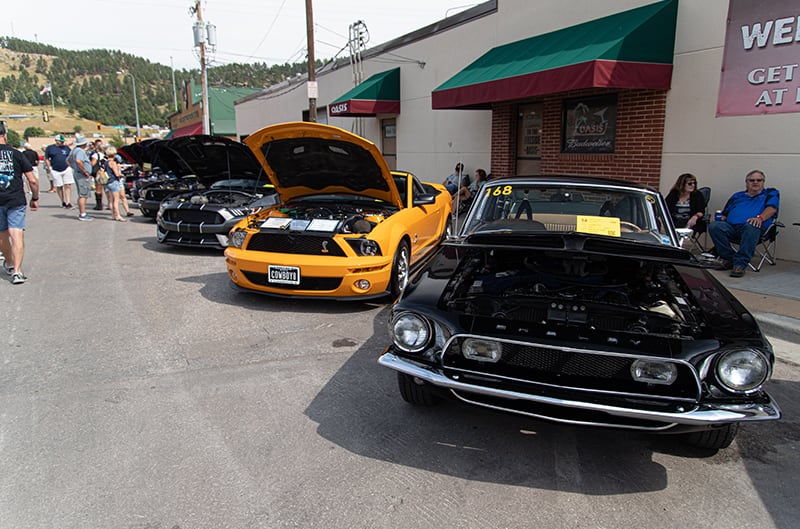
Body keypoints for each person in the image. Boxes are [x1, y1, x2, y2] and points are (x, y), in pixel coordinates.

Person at [708, 170, 779, 278]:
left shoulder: (770, 193)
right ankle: (729, 259)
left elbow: (772, 209)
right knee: (715, 226)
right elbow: (725, 213)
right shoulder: (737, 196)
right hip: (732, 227)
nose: (755, 182)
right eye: (752, 180)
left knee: (751, 225)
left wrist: (759, 218)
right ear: (746, 182)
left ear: (763, 182)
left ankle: (740, 264)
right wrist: (721, 217)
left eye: (759, 180)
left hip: (754, 229)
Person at [0, 121, 39, 284]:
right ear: (5, 135)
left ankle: (9, 263)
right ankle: (17, 271)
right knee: (16, 233)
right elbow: (33, 180)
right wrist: (35, 198)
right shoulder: (17, 154)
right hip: (16, 198)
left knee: (1, 233)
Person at [68, 134, 94, 221]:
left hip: (77, 173)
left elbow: (67, 161)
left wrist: (74, 167)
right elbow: (79, 161)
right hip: (81, 175)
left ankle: (82, 213)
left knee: (82, 193)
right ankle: (82, 214)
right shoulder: (80, 151)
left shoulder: (74, 150)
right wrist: (84, 171)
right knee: (83, 194)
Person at [44, 134, 74, 208]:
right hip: (55, 169)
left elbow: (71, 156)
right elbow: (47, 158)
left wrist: (71, 165)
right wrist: (49, 167)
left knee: (67, 185)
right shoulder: (50, 148)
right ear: (57, 141)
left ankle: (68, 201)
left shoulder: (66, 148)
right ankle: (62, 201)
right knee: (59, 186)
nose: (62, 143)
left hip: (66, 168)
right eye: (61, 141)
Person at [103, 146, 130, 221]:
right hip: (114, 181)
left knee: (111, 199)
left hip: (108, 182)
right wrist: (122, 175)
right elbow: (117, 174)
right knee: (116, 200)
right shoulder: (113, 163)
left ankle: (113, 214)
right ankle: (118, 215)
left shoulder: (106, 162)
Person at [90, 139, 107, 210]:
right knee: (106, 189)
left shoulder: (96, 155)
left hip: (99, 173)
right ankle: (109, 203)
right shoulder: (106, 155)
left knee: (98, 188)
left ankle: (99, 204)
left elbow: (92, 164)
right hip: (106, 172)